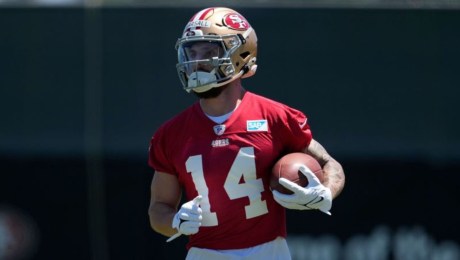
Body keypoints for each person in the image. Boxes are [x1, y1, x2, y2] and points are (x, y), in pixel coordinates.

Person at [148, 7, 345, 259]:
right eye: (192, 52)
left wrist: (324, 192)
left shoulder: (274, 117)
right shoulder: (170, 134)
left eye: (209, 52)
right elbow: (158, 209)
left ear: (241, 55)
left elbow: (329, 163)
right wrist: (175, 221)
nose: (197, 61)